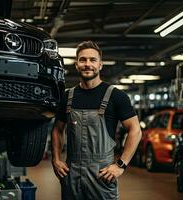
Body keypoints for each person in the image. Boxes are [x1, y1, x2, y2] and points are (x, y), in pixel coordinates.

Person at [51, 40, 142, 200]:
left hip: (102, 174)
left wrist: (121, 165)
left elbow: (135, 130)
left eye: (93, 60)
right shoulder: (68, 97)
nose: (88, 64)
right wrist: (56, 159)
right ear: (77, 65)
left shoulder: (116, 96)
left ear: (100, 65)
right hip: (71, 173)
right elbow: (58, 130)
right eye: (83, 60)